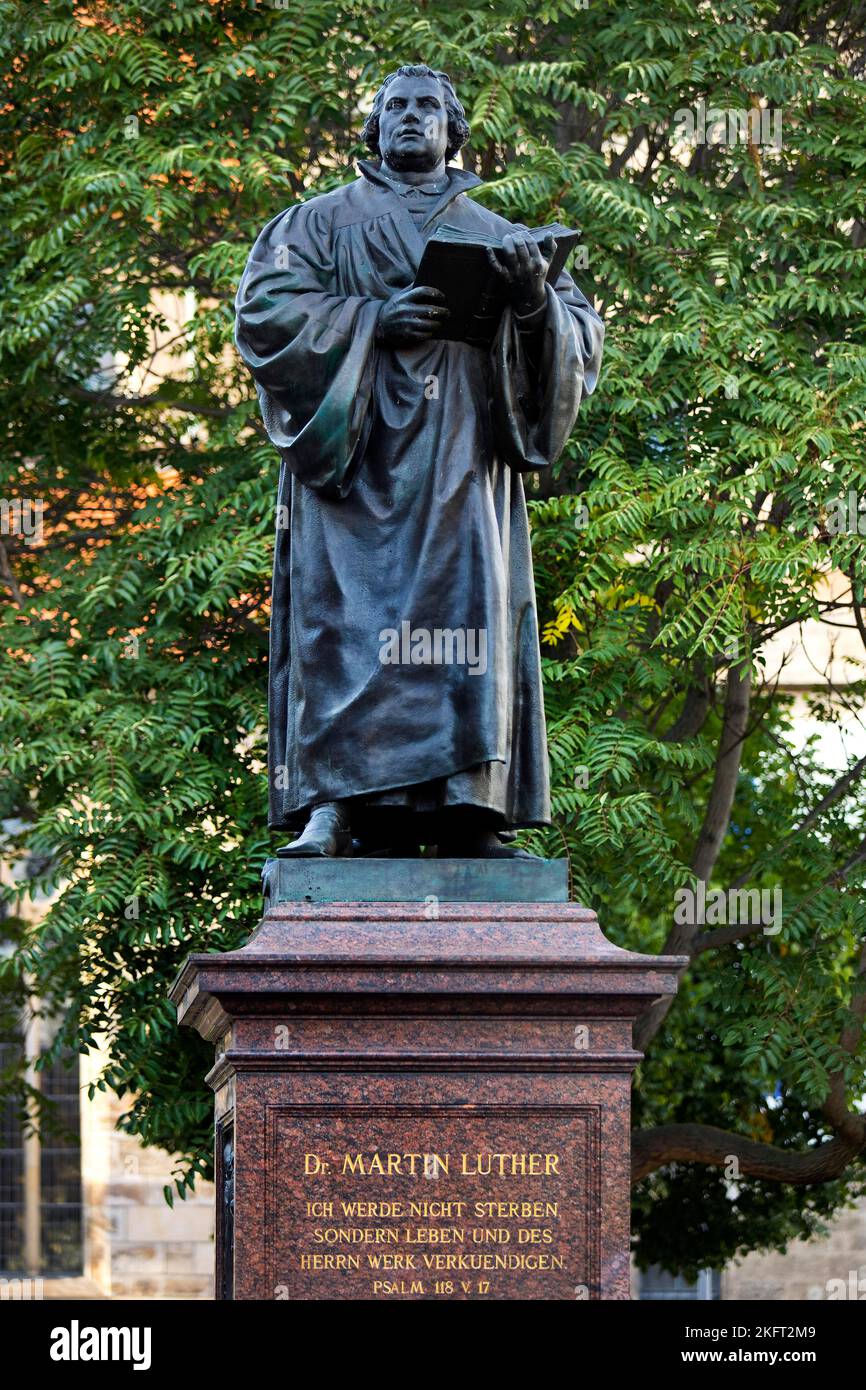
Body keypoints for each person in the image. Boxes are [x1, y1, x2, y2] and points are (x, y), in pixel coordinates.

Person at [235, 64, 604, 858]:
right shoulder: (316, 224)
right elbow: (264, 314)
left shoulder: (504, 236)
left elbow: (578, 344)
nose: (410, 118)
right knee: (341, 625)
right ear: (373, 129)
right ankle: (334, 806)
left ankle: (471, 810)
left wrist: (535, 301)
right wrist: (372, 320)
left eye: (426, 107)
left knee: (468, 620)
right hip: (353, 469)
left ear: (453, 127)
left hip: (461, 465)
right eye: (394, 107)